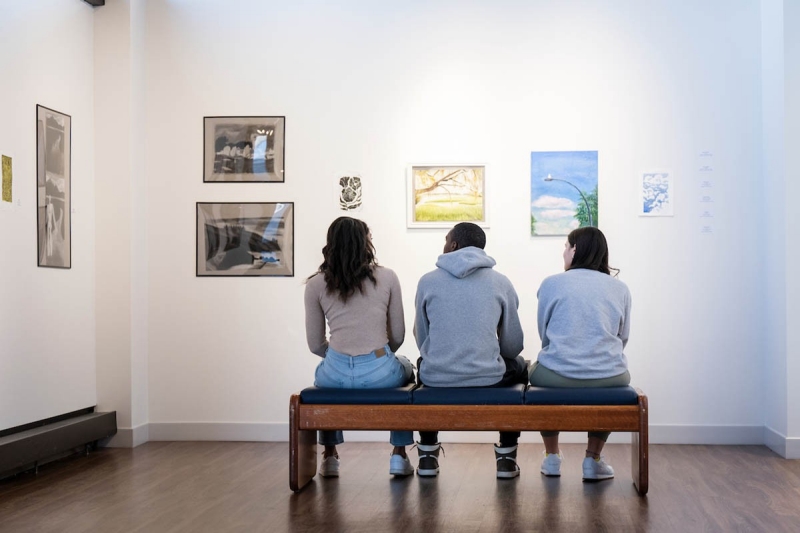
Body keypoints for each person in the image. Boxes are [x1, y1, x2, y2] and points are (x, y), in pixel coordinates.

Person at [304, 217, 416, 478]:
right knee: (407, 369)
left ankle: (329, 455)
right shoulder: (387, 277)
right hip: (380, 372)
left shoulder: (315, 284)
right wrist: (377, 355)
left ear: (331, 244)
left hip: (334, 373)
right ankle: (399, 454)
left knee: (323, 382)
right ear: (366, 243)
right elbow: (397, 336)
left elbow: (315, 344)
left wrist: (341, 357)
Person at [414, 222, 527, 479]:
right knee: (521, 367)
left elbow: (422, 338)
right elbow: (512, 346)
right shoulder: (501, 282)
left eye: (446, 240)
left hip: (436, 377)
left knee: (422, 364)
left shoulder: (427, 281)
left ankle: (427, 455)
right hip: (489, 377)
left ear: (454, 245)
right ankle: (507, 457)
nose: (443, 245)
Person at [532, 226, 632, 481]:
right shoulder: (620, 288)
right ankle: (593, 459)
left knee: (537, 376)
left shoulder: (551, 283)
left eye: (566, 247)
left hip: (556, 375)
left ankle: (552, 457)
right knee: (610, 384)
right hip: (610, 376)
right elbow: (622, 337)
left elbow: (544, 333)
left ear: (575, 249)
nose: (564, 252)